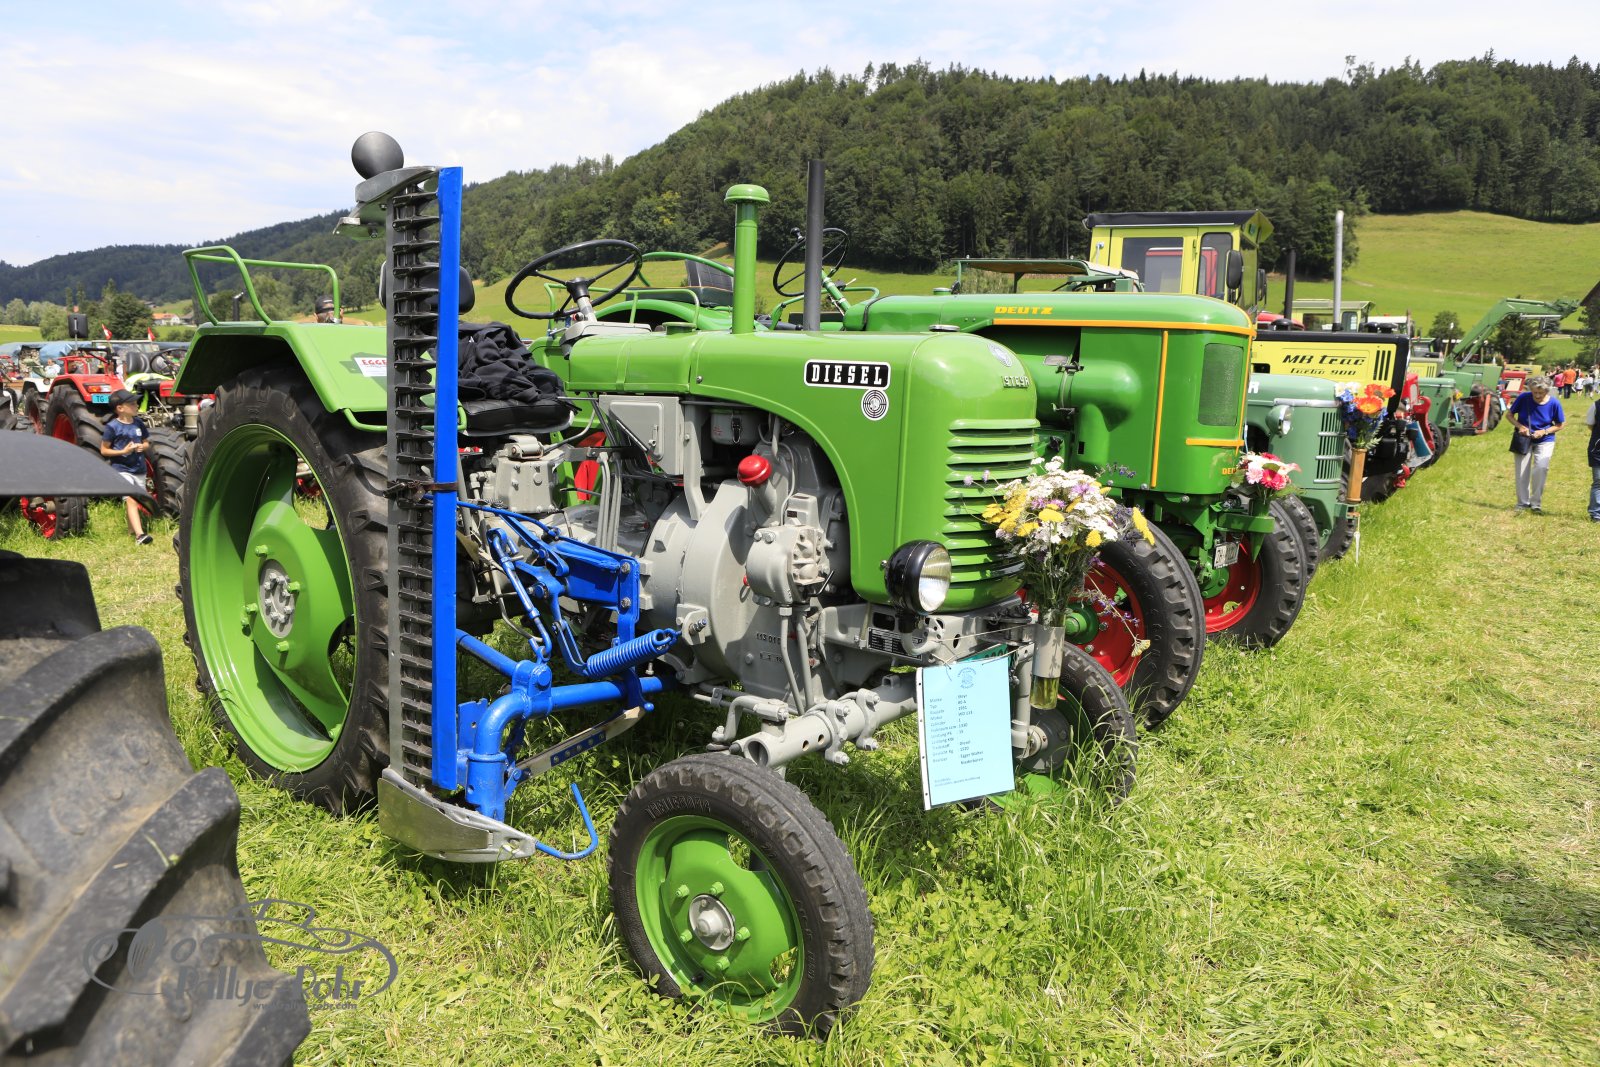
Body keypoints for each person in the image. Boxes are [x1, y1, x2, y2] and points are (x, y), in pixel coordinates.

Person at [100, 388, 153, 544]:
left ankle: (131, 531)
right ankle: (140, 535)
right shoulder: (112, 427)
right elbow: (104, 450)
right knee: (131, 498)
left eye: (136, 403)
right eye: (132, 404)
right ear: (120, 408)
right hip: (122, 470)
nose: (137, 406)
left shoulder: (138, 423)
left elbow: (146, 442)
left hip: (139, 469)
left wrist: (143, 446)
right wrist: (123, 451)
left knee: (136, 500)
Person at [1509, 375, 1564, 513]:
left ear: (1547, 391)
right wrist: (1520, 427)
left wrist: (1544, 431)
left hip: (1545, 440)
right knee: (1521, 471)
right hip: (1523, 439)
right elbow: (1509, 415)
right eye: (1535, 392)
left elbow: (1560, 425)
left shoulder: (1554, 403)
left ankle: (1536, 504)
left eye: (1541, 393)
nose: (1538, 395)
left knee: (1541, 468)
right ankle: (1522, 503)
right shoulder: (1523, 398)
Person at [1588, 401, 1600, 522]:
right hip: (1597, 450)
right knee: (1599, 482)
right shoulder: (1596, 405)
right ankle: (1596, 513)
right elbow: (1590, 425)